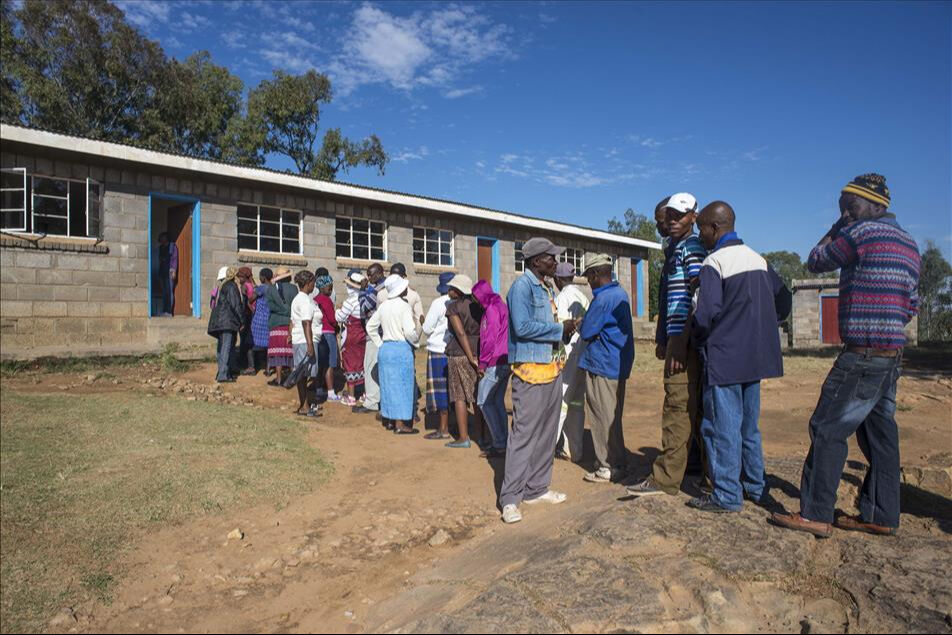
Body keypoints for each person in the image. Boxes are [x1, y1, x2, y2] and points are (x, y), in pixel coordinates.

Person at [772, 174, 921, 538]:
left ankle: (816, 513)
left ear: (876, 206)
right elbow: (912, 304)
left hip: (863, 353)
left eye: (850, 207)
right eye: (842, 209)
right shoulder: (910, 244)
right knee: (880, 434)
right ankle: (881, 514)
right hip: (891, 353)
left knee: (826, 427)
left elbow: (815, 261)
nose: (845, 214)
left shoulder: (861, 233)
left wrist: (837, 226)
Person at [685, 202, 791, 513]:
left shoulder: (714, 262)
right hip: (756, 358)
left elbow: (705, 315)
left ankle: (727, 495)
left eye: (702, 228)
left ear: (715, 228)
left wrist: (700, 337)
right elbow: (783, 300)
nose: (700, 234)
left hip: (725, 359)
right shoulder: (757, 259)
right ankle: (756, 488)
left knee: (721, 427)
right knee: (749, 427)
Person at [628, 193, 708, 498]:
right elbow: (671, 299)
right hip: (677, 339)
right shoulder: (676, 248)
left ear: (693, 217)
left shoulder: (692, 247)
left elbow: (696, 299)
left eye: (677, 217)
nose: (670, 222)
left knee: (677, 405)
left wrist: (677, 341)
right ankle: (692, 465)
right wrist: (664, 337)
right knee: (688, 404)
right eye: (668, 217)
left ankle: (665, 479)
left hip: (685, 342)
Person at [499, 237, 578, 524]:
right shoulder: (522, 287)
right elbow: (521, 327)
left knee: (546, 434)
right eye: (551, 258)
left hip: (551, 369)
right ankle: (510, 498)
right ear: (535, 261)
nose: (555, 262)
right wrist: (559, 328)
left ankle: (536, 489)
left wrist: (564, 331)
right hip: (530, 373)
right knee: (523, 435)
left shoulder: (544, 286)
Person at [578, 253, 635, 483]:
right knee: (612, 415)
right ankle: (616, 461)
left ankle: (608, 465)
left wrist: (582, 322)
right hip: (616, 363)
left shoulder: (603, 299)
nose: (589, 282)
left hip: (603, 364)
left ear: (594, 274)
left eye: (588, 277)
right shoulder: (619, 293)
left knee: (602, 416)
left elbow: (587, 331)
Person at [366, 274, 420, 434]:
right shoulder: (404, 307)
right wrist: (416, 341)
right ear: (402, 290)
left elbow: (370, 327)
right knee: (402, 387)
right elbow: (409, 331)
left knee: (388, 386)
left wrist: (380, 343)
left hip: (386, 349)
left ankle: (389, 420)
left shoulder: (383, 306)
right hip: (401, 349)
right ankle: (400, 424)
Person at [444, 274, 486, 449]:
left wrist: (470, 357)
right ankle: (482, 436)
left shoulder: (454, 307)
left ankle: (463, 438)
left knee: (459, 394)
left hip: (460, 352)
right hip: (479, 349)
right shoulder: (478, 305)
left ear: (459, 291)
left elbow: (460, 333)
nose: (449, 291)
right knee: (477, 394)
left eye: (452, 288)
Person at [553, 262, 590, 462]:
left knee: (559, 403)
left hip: (566, 356)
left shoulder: (562, 298)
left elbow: (559, 331)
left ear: (558, 279)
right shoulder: (583, 297)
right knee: (576, 404)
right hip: (583, 355)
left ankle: (546, 451)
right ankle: (573, 450)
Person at [473, 279, 510, 459]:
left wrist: (483, 362)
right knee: (497, 402)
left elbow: (489, 339)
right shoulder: (501, 306)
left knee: (483, 401)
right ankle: (504, 440)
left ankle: (499, 442)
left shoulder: (491, 310)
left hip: (494, 362)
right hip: (506, 359)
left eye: (476, 297)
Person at [422, 272, 455, 440]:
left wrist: (423, 322)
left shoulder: (437, 303)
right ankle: (455, 423)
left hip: (437, 349)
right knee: (453, 388)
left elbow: (427, 328)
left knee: (441, 389)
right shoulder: (460, 302)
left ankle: (443, 428)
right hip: (455, 350)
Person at [354, 263, 387, 414]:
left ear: (380, 273)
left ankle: (372, 402)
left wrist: (362, 291)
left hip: (375, 335)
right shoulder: (386, 287)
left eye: (371, 274)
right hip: (384, 334)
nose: (368, 277)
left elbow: (364, 307)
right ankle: (380, 399)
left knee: (370, 366)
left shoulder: (378, 289)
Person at [289, 270, 322, 418]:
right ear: (308, 283)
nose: (314, 286)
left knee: (303, 373)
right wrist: (309, 345)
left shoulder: (299, 299)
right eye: (313, 283)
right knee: (304, 374)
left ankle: (305, 404)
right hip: (305, 340)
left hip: (301, 340)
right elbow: (306, 323)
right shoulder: (304, 301)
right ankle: (304, 405)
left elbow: (292, 321)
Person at [207, 267, 245, 383]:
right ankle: (223, 374)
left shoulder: (222, 286)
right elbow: (236, 305)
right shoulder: (231, 287)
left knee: (222, 346)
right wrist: (242, 321)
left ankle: (222, 371)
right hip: (227, 321)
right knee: (226, 347)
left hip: (219, 321)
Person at [336, 270, 367, 407]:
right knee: (361, 362)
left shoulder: (350, 301)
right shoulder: (365, 299)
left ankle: (351, 396)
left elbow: (339, 317)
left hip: (351, 335)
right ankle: (365, 393)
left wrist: (338, 309)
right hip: (362, 334)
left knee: (350, 363)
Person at [266, 267, 296, 387]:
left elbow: (271, 306)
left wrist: (282, 310)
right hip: (290, 323)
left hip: (276, 323)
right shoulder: (294, 289)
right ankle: (292, 378)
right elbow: (295, 305)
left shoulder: (271, 289)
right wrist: (288, 312)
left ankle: (278, 378)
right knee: (290, 351)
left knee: (277, 352)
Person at [313, 272, 340, 402]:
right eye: (329, 286)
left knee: (320, 363)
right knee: (330, 363)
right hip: (328, 333)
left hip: (318, 333)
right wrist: (337, 326)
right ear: (321, 287)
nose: (331, 288)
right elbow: (332, 318)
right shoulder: (326, 300)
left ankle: (318, 389)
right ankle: (330, 392)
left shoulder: (315, 299)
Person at [251, 268, 273, 374]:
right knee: (269, 345)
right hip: (269, 319)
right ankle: (268, 369)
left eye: (260, 276)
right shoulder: (273, 288)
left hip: (259, 319)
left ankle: (253, 366)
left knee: (253, 343)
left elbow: (251, 299)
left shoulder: (261, 288)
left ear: (263, 277)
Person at [236, 266, 257, 375]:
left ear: (244, 277)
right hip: (252, 315)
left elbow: (244, 303)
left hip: (247, 315)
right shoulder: (252, 285)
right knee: (248, 340)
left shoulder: (244, 286)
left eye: (240, 277)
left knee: (245, 341)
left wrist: (241, 318)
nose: (239, 279)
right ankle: (250, 364)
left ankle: (249, 366)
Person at [157, 232, 178, 316]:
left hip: (169, 272)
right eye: (160, 238)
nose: (161, 240)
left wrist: (174, 270)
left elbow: (174, 259)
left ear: (166, 238)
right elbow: (160, 258)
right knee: (164, 292)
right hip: (162, 272)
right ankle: (164, 310)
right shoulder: (161, 247)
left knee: (169, 292)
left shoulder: (172, 246)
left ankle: (169, 311)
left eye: (163, 238)